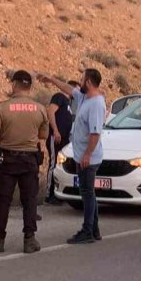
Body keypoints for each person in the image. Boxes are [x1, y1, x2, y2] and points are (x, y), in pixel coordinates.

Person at [38, 69, 106, 244]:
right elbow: (69, 89)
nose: (79, 82)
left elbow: (95, 133)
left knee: (87, 193)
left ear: (89, 82)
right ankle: (94, 229)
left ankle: (87, 231)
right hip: (81, 155)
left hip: (88, 157)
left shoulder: (96, 104)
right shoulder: (85, 98)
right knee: (89, 192)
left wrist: (87, 155)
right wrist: (52, 78)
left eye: (82, 79)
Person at [0, 70, 49, 254]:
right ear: (30, 87)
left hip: (7, 159)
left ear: (14, 85)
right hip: (29, 159)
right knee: (29, 200)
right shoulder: (40, 109)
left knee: (3, 201)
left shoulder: (1, 108)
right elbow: (43, 135)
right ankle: (29, 239)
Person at [44, 82, 74, 205]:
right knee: (53, 164)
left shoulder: (69, 104)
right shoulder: (59, 97)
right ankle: (49, 195)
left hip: (65, 140)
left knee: (60, 166)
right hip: (56, 138)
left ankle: (59, 193)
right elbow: (50, 112)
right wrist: (55, 130)